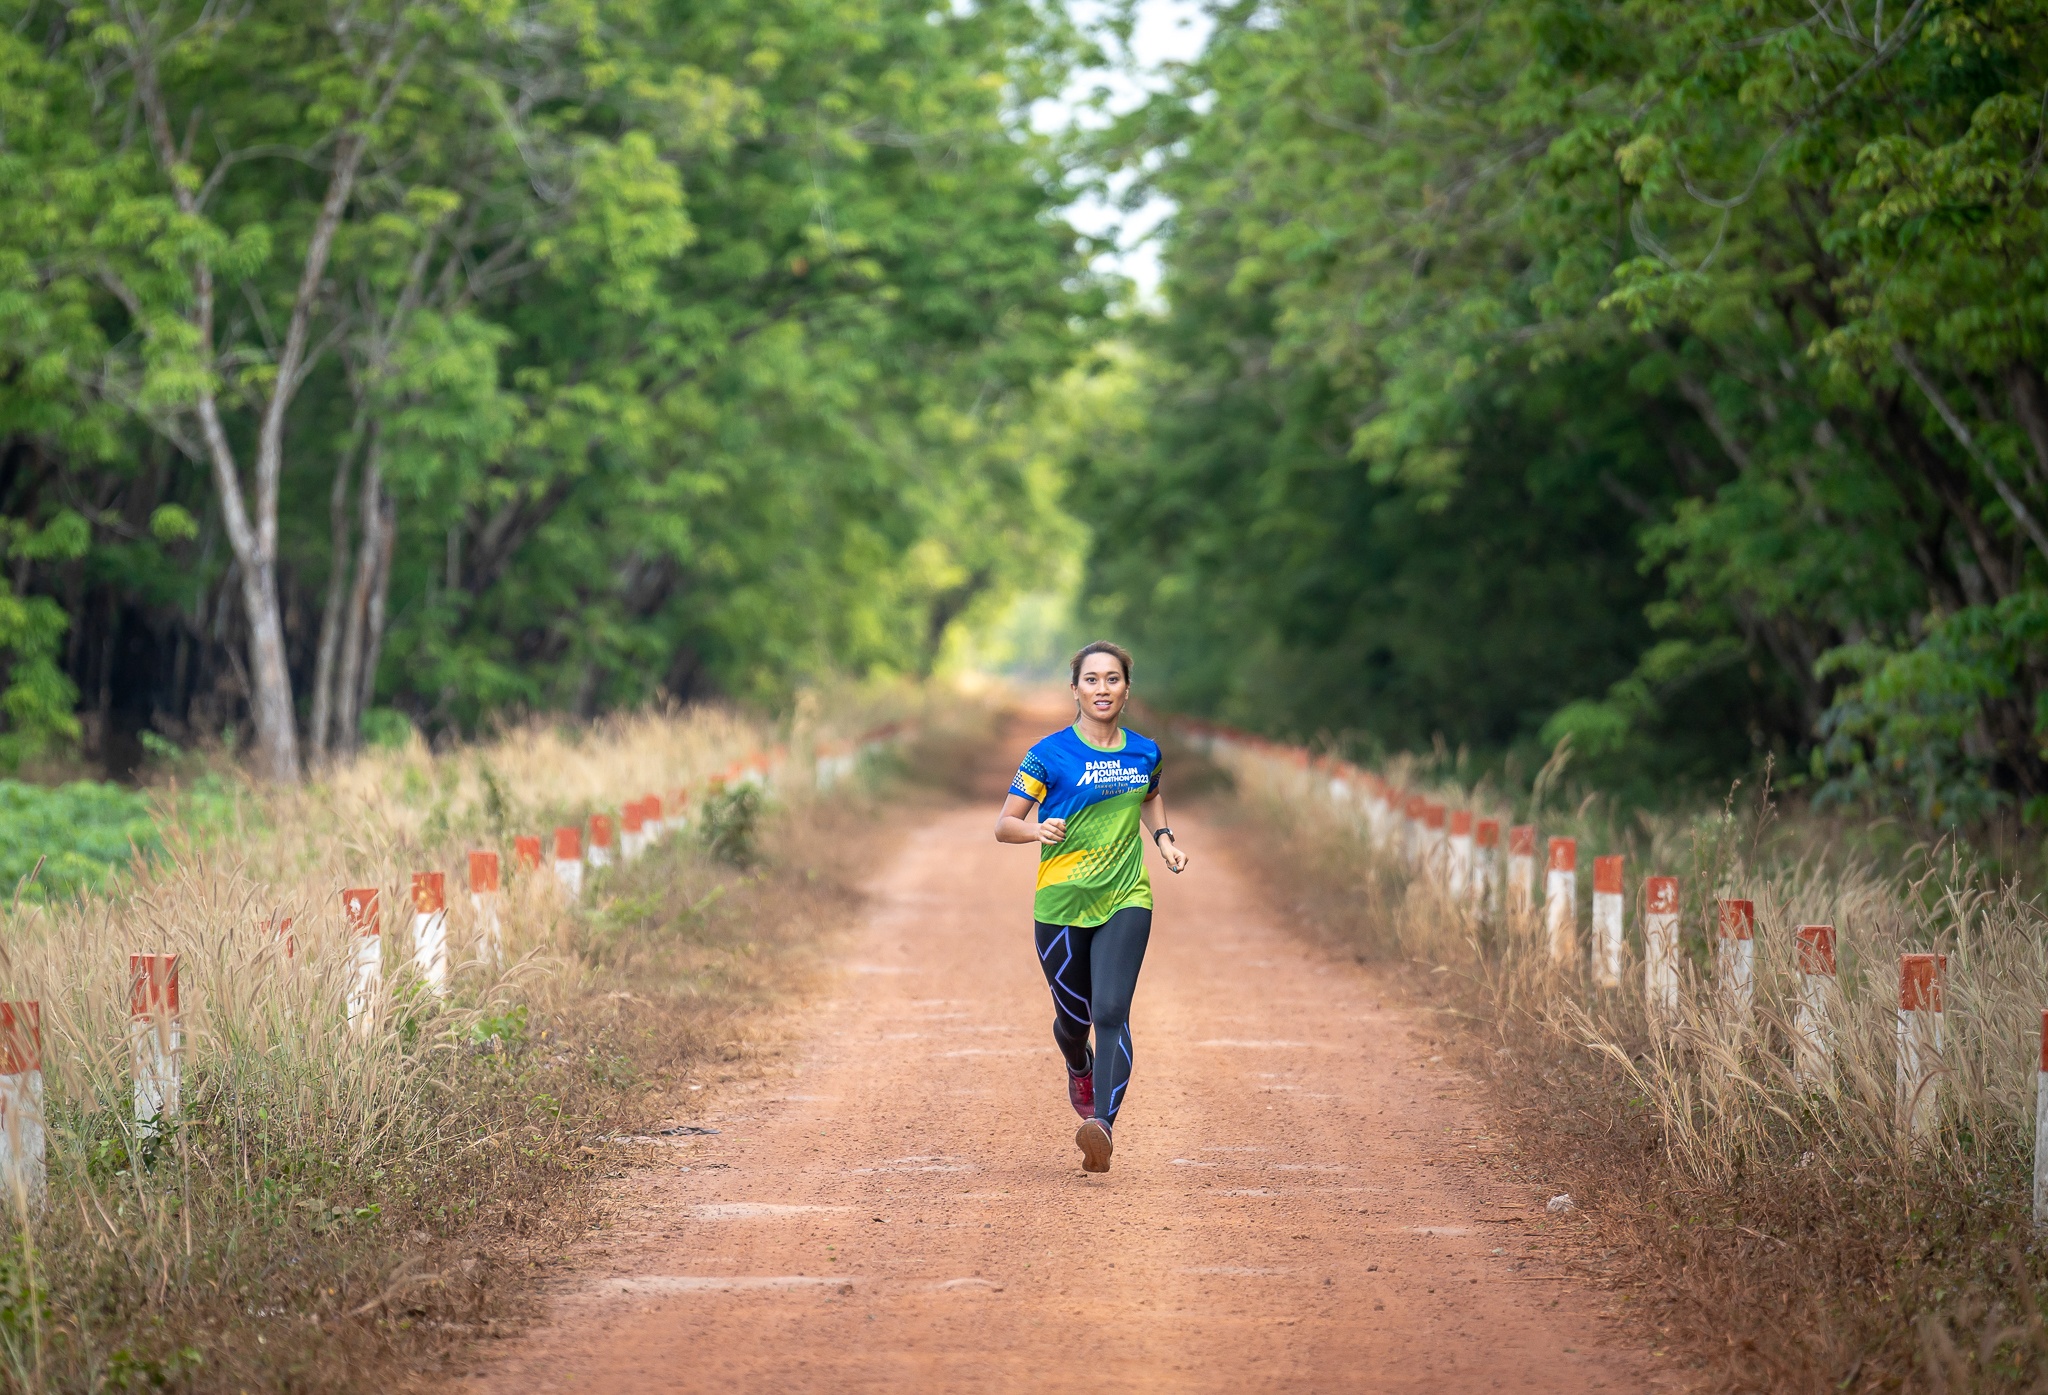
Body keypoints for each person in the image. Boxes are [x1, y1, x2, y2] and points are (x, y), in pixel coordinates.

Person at [995, 640, 1189, 1173]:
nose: (1102, 689)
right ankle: (1077, 1062)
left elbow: (1150, 795)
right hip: (1060, 904)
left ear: (1126, 689)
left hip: (1127, 896)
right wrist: (1036, 830)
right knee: (1073, 1020)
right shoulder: (1048, 754)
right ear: (1075, 689)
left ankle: (1101, 1127)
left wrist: (1164, 841)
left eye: (1112, 679)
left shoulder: (1144, 752)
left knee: (1109, 1011)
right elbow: (1004, 824)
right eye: (1092, 679)